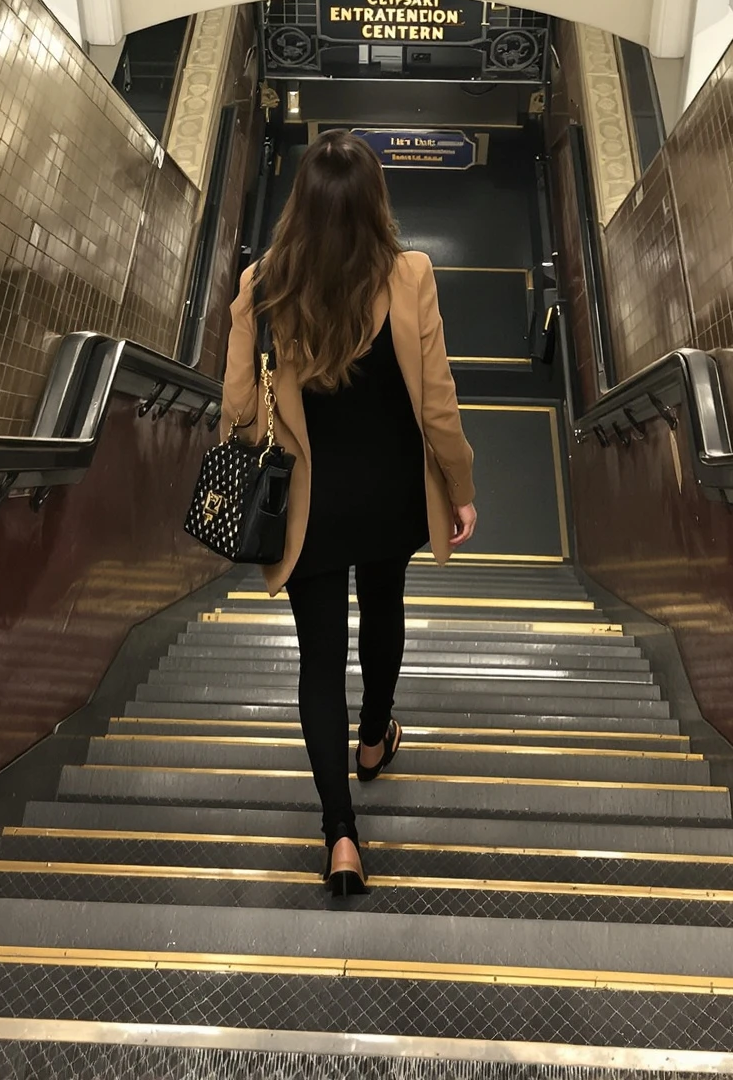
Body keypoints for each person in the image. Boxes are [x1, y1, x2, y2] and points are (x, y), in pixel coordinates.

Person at [218, 130, 477, 896]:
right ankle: (373, 740)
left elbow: (237, 408)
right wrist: (459, 485)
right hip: (391, 492)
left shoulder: (261, 285)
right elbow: (437, 401)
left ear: (300, 204)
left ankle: (339, 835)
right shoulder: (409, 274)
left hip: (310, 502)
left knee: (319, 657)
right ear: (375, 205)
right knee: (386, 604)